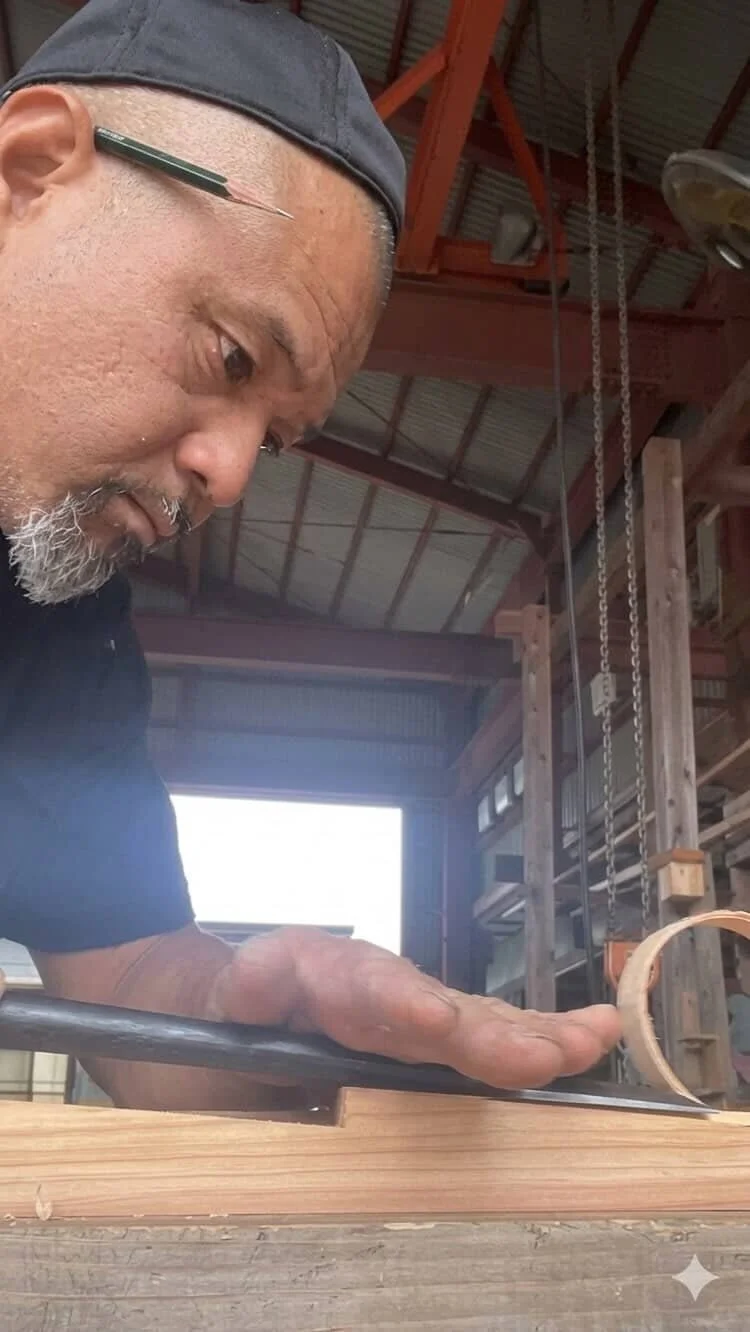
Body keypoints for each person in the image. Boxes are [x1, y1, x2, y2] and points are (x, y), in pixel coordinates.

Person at [0, 0, 620, 1112]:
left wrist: (264, 1019)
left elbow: (131, 975)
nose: (230, 479)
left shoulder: (57, 628)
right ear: (29, 170)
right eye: (233, 353)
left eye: (275, 439)